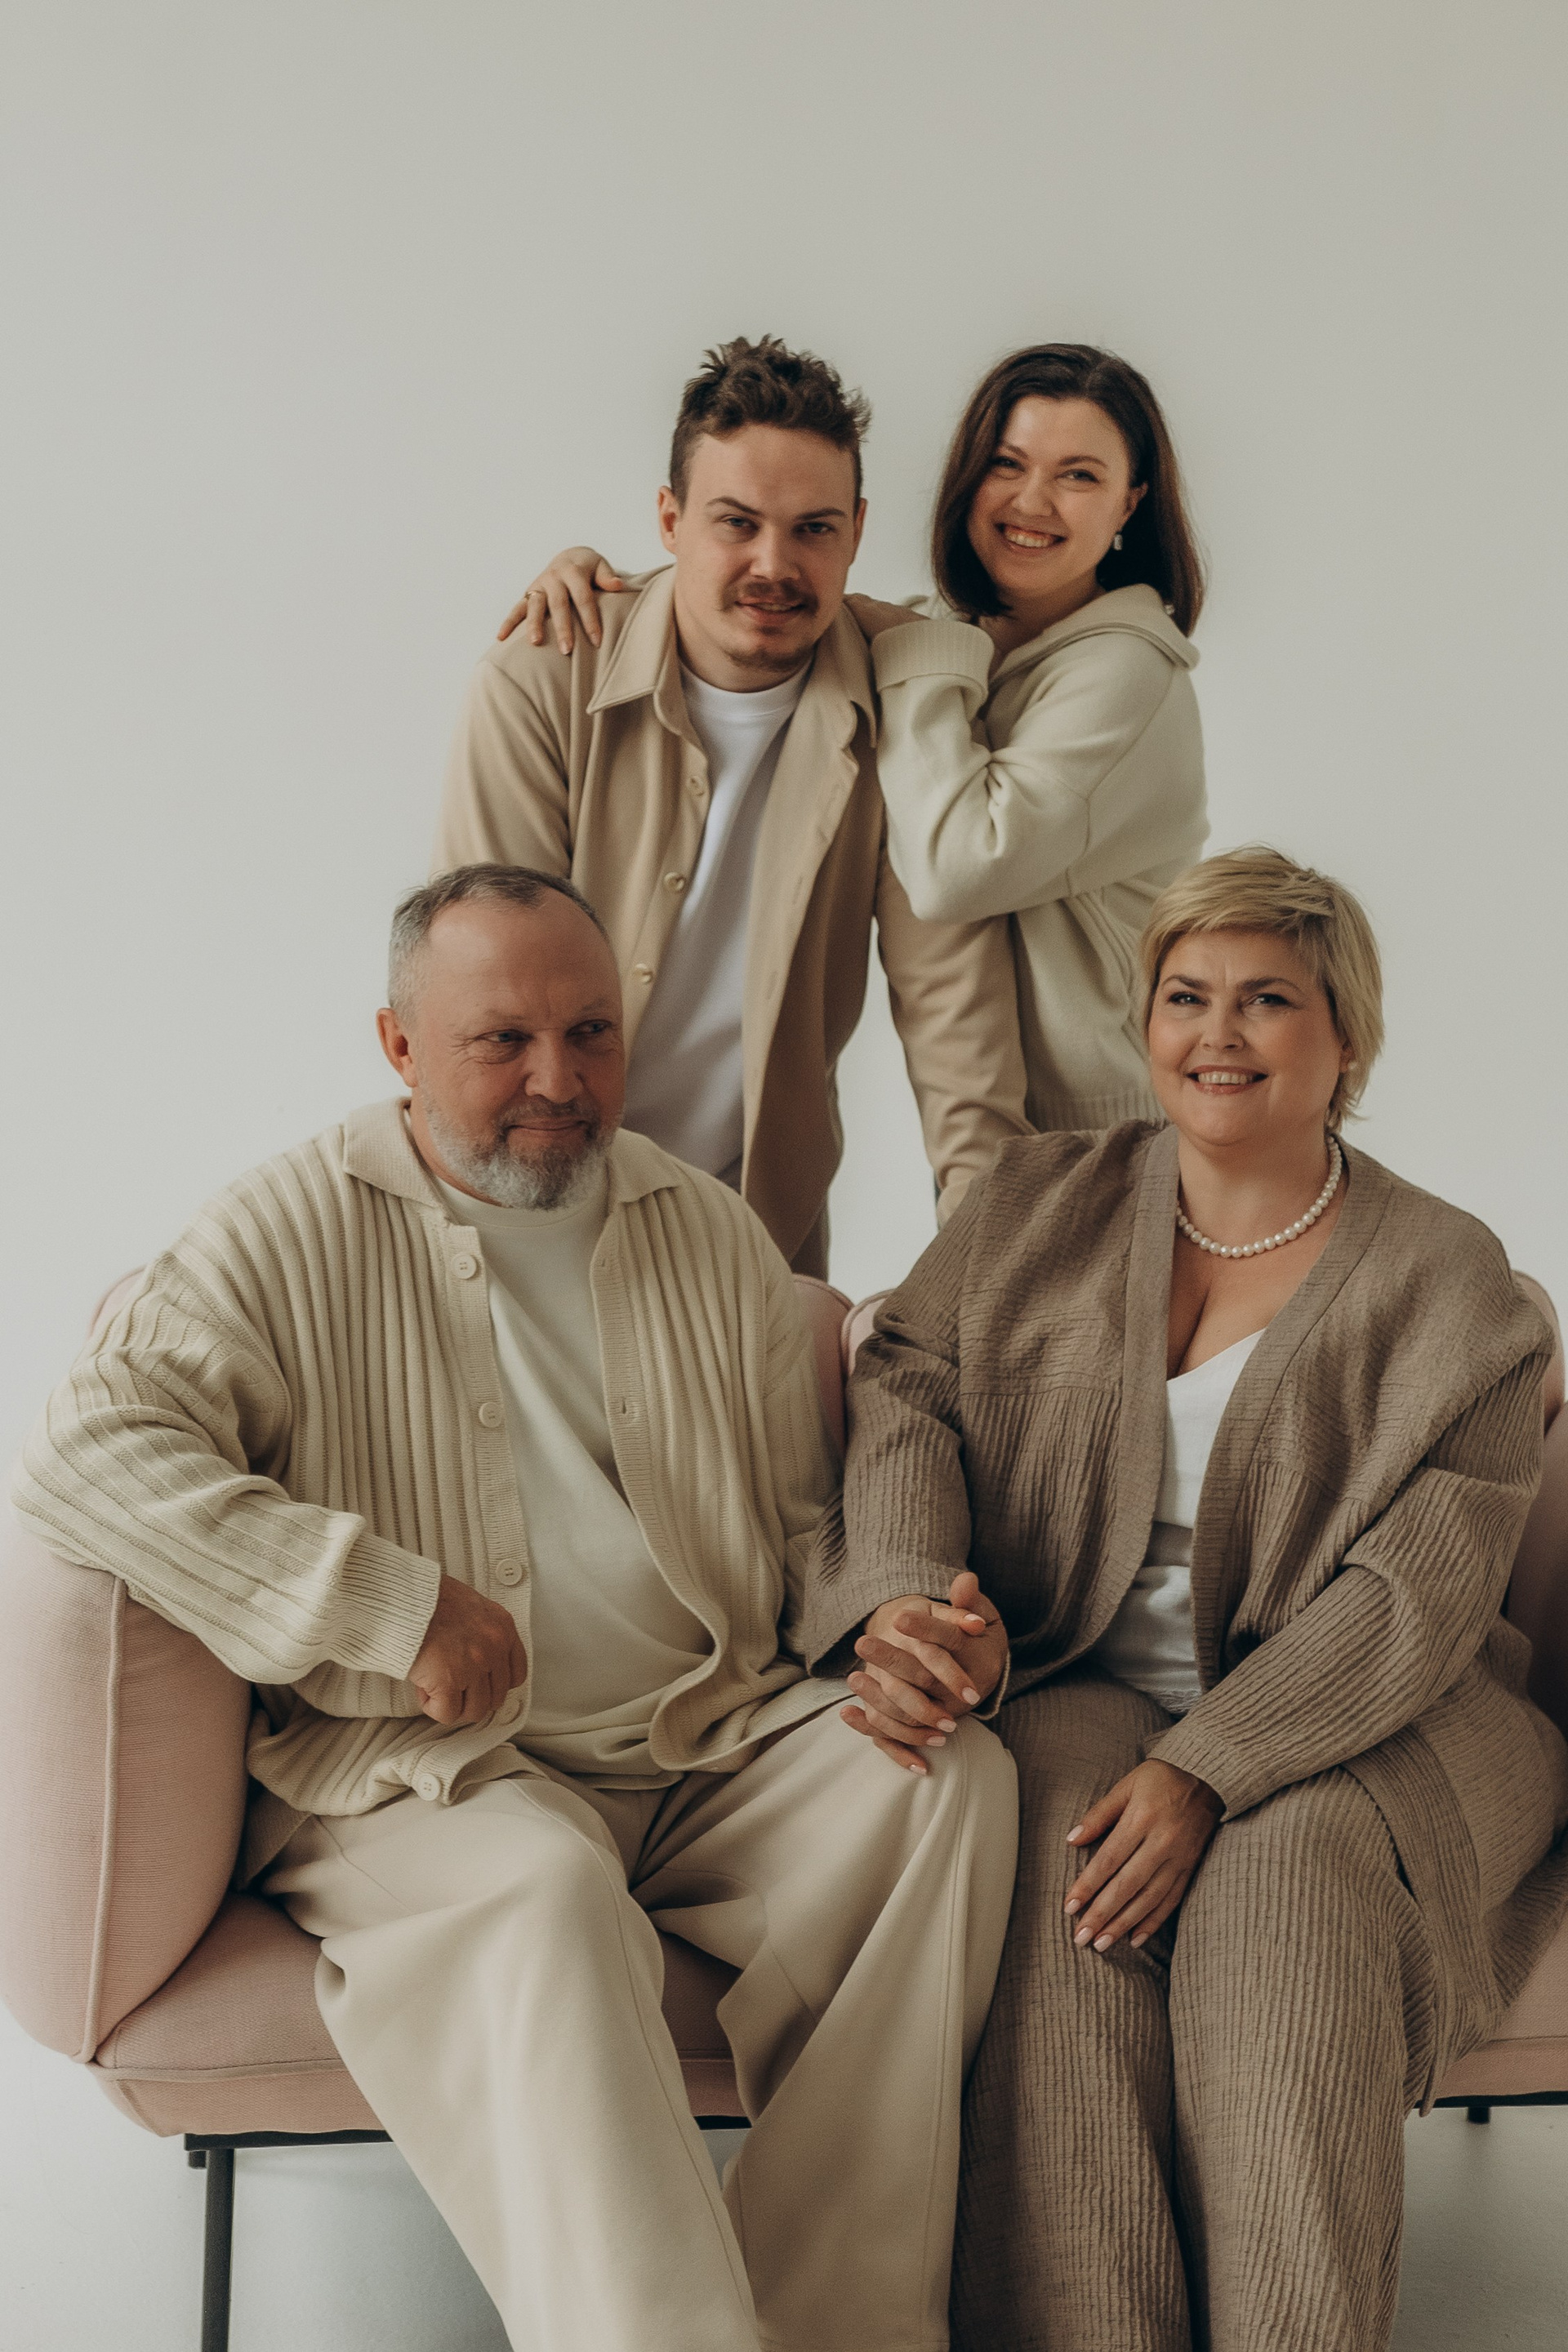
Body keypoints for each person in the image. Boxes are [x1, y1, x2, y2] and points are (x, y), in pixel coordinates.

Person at [13, 864, 1018, 2352]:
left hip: (705, 1745)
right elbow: (86, 1452)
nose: (560, 1079)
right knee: (545, 1888)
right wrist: (389, 1605)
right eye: (504, 1041)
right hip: (428, 1777)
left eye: (592, 1033)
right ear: (400, 1046)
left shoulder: (713, 1233)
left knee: (946, 1786)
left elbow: (804, 1531)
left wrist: (892, 1620)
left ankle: (841, 2323)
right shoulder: (282, 1227)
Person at [801, 846, 1568, 2352]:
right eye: (1186, 996)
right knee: (1052, 1878)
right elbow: (908, 1384)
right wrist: (906, 1595)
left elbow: (1414, 1599)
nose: (1219, 1033)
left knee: (1284, 1901)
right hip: (1080, 1674)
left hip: (1389, 1718)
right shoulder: (1038, 1200)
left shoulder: (1454, 1279)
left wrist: (1210, 1766)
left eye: (1268, 999)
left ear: (1346, 1038)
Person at [436, 336, 1030, 1278]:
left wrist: (992, 1281)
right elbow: (480, 998)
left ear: (857, 532)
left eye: (813, 529)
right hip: (531, 1218)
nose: (773, 564)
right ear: (669, 520)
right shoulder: (543, 680)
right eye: (736, 523)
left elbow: (960, 1036)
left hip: (753, 1244)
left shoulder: (904, 704)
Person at [506, 341, 1206, 1134]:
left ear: (1128, 504)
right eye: (1007, 464)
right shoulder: (943, 642)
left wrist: (916, 647)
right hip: (1011, 1130)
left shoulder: (1127, 675)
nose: (1033, 501)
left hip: (1116, 1126)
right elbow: (760, 592)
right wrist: (598, 580)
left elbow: (954, 871)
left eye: (1078, 475)